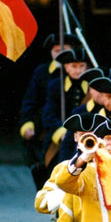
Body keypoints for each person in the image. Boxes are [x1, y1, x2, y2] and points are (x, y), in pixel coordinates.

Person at [19, 33, 80, 189]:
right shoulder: (42, 72)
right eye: (56, 50)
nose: (59, 54)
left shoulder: (78, 71)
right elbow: (30, 100)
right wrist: (27, 123)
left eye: (64, 50)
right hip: (47, 127)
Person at [41, 48, 91, 167]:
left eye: (82, 66)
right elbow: (48, 114)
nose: (78, 70)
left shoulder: (91, 87)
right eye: (74, 66)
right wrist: (62, 132)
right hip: (59, 135)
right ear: (66, 67)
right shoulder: (55, 86)